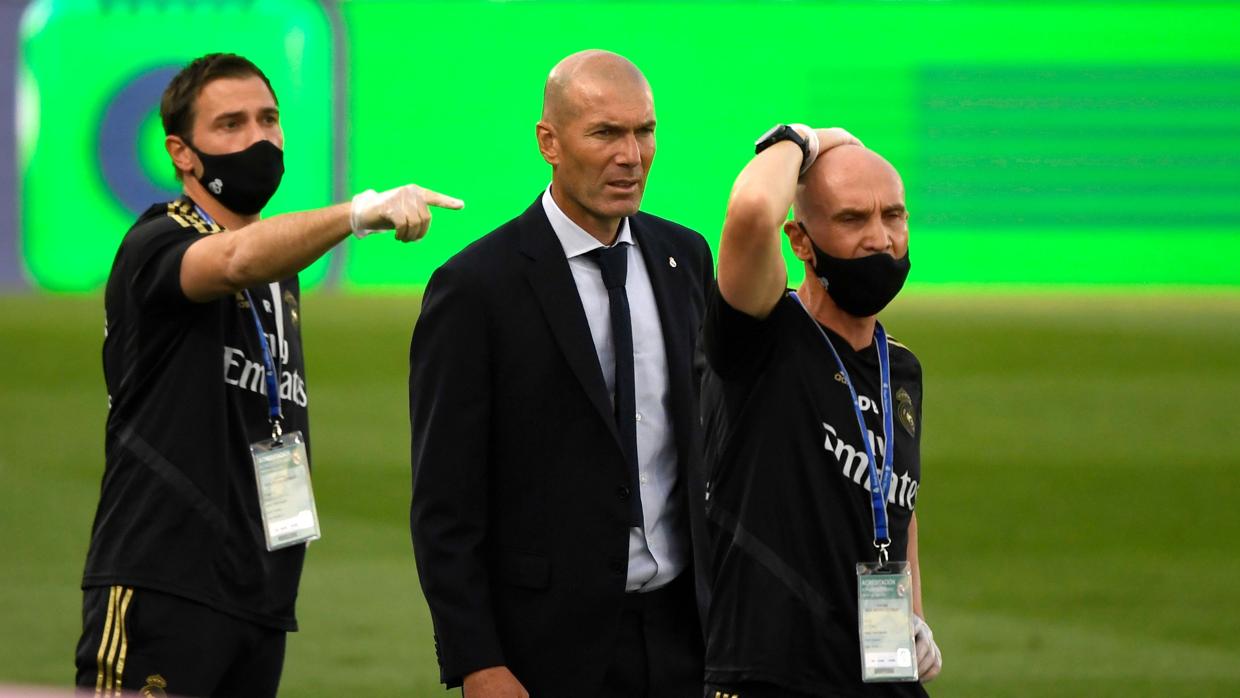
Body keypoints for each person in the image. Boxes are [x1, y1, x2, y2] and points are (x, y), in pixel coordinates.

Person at [76, 52, 462, 697]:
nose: (257, 138)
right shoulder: (157, 243)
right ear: (182, 153)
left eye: (269, 119)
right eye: (230, 124)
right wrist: (359, 213)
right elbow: (229, 261)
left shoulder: (280, 275)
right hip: (162, 583)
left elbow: (256, 257)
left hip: (258, 594)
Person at [409, 50, 712, 698]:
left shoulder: (684, 258)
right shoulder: (475, 288)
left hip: (686, 639)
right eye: (606, 133)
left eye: (645, 131)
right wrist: (477, 661)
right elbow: (444, 504)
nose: (631, 155)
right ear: (549, 141)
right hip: (545, 651)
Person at [700, 125, 943, 697]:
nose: (880, 238)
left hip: (876, 674)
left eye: (894, 216)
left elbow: (894, 502)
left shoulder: (900, 369)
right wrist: (805, 139)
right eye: (852, 219)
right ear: (801, 241)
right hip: (771, 674)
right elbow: (753, 209)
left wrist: (912, 616)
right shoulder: (761, 334)